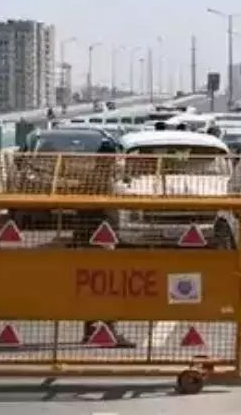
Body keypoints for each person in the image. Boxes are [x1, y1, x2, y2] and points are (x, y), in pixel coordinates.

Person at [81, 137, 135, 348]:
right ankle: (111, 331)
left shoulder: (91, 177)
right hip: (103, 239)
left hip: (90, 238)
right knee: (109, 286)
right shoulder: (106, 181)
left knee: (91, 287)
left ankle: (89, 329)